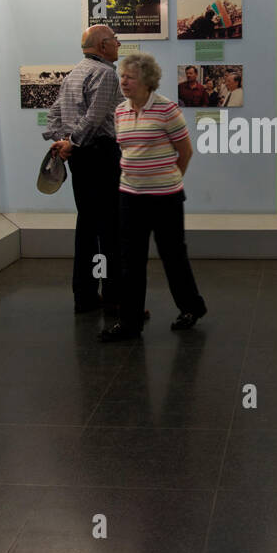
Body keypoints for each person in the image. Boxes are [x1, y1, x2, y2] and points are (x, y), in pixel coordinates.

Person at [100, 53, 207, 341]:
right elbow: (127, 151)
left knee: (173, 257)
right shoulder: (120, 111)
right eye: (122, 76)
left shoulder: (166, 110)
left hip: (165, 199)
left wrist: (169, 181)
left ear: (147, 81)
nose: (124, 81)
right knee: (129, 262)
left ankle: (191, 307)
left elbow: (185, 152)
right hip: (129, 196)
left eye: (130, 77)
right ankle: (130, 322)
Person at [44, 24, 124, 314]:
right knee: (110, 228)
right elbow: (93, 118)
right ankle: (114, 296)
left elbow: (53, 114)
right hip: (100, 156)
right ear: (103, 45)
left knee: (88, 225)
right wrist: (72, 143)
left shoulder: (75, 72)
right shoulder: (105, 74)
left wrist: (62, 141)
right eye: (115, 40)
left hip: (80, 159)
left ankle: (86, 295)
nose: (118, 44)